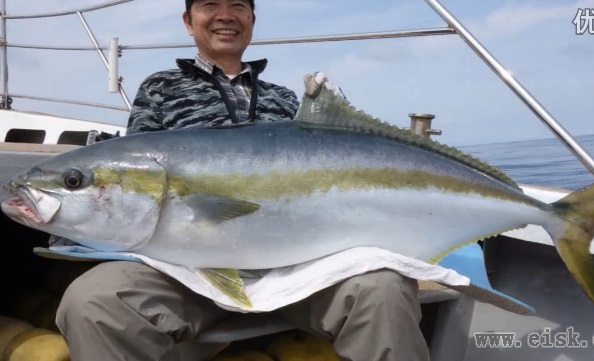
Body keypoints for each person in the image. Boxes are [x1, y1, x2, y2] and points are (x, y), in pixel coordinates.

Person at [55, 1, 430, 360]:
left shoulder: (284, 100)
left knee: (384, 290)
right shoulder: (159, 90)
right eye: (209, 6)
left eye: (238, 6)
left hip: (299, 268)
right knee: (93, 301)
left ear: (252, 18)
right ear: (188, 21)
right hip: (185, 272)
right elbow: (128, 183)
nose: (225, 16)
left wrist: (340, 126)